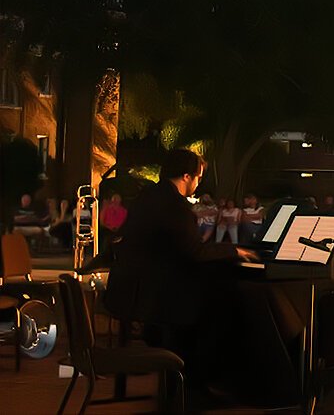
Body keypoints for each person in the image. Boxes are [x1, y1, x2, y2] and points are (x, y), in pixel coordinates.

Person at [104, 149, 259, 397]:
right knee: (223, 308)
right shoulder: (173, 205)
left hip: (132, 287)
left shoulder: (148, 196)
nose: (198, 184)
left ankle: (195, 382)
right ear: (187, 176)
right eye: (198, 177)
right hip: (151, 296)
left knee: (212, 302)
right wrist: (235, 251)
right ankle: (198, 386)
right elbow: (194, 251)